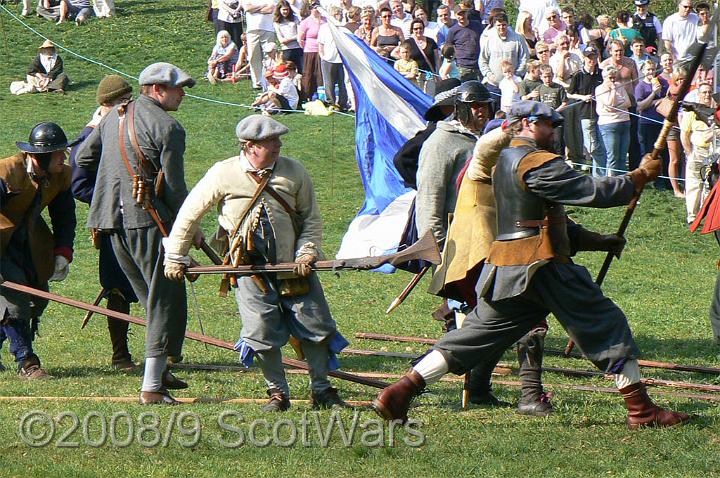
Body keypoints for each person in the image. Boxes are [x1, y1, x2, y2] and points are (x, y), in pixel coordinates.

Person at [373, 100, 692, 431]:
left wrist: (597, 241)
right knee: (605, 322)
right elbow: (588, 190)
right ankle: (641, 411)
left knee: (473, 337)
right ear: (526, 123)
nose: (554, 131)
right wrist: (637, 178)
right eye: (547, 124)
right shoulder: (535, 162)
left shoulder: (504, 161)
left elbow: (538, 218)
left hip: (508, 268)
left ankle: (401, 391)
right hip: (541, 265)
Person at [163, 115, 349, 412]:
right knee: (261, 331)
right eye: (270, 142)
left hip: (293, 265)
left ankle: (322, 390)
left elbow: (311, 219)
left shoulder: (294, 171)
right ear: (249, 147)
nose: (278, 145)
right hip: (246, 268)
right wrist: (175, 256)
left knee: (315, 325)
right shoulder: (222, 173)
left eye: (277, 140)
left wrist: (306, 252)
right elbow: (189, 216)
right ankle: (278, 393)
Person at [74, 62, 198, 405]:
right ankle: (152, 387)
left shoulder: (113, 114)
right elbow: (174, 189)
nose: (183, 94)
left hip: (108, 223)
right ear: (156, 90)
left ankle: (159, 368)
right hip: (147, 221)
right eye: (178, 88)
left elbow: (82, 157)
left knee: (150, 298)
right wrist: (191, 228)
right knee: (162, 300)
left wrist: (111, 183)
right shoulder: (169, 127)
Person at [68, 75, 139, 370]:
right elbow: (79, 185)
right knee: (118, 289)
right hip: (113, 225)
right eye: (125, 101)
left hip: (141, 220)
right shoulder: (92, 136)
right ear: (114, 104)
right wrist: (115, 203)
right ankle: (121, 356)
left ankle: (165, 352)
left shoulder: (125, 128)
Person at [0, 122, 77, 379]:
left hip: (30, 243)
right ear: (40, 156)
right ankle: (27, 362)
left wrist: (63, 252)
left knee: (39, 298)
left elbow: (64, 216)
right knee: (16, 301)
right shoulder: (7, 172)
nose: (64, 157)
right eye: (58, 153)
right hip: (1, 245)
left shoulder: (60, 175)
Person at [567, 46, 606, 176]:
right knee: (592, 147)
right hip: (585, 114)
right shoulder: (578, 75)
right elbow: (570, 94)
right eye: (589, 57)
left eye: (594, 57)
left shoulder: (601, 73)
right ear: (584, 58)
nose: (591, 60)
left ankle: (598, 176)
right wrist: (583, 97)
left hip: (601, 113)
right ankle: (603, 171)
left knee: (602, 145)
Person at [681, 82, 716, 224]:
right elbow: (684, 134)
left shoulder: (715, 112)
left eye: (709, 92)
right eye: (704, 92)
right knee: (694, 184)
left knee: (709, 184)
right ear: (699, 94)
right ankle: (692, 216)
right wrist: (689, 152)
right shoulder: (691, 112)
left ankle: (706, 214)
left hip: (713, 153)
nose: (707, 95)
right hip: (697, 151)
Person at [635, 59, 670, 190]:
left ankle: (661, 181)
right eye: (648, 69)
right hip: (646, 123)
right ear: (643, 71)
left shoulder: (662, 83)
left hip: (660, 122)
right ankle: (643, 180)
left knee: (662, 153)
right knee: (647, 153)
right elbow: (639, 106)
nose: (651, 72)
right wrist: (653, 95)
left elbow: (666, 98)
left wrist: (659, 98)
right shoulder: (640, 86)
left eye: (653, 69)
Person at [596, 66, 632, 176]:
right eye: (610, 78)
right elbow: (611, 105)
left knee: (622, 155)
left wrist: (617, 105)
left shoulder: (619, 86)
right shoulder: (600, 89)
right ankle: (610, 182)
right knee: (612, 156)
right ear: (604, 77)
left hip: (624, 122)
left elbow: (628, 103)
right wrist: (613, 91)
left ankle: (622, 181)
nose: (613, 80)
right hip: (609, 125)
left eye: (614, 78)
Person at [479, 12, 528, 88]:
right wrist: (489, 75)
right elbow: (482, 60)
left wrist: (517, 75)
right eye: (499, 25)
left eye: (504, 25)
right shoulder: (489, 40)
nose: (501, 27)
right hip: (493, 84)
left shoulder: (518, 39)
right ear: (495, 25)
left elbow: (524, 59)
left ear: (508, 24)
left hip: (513, 84)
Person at [242, 0, 278, 90]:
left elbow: (270, 9)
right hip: (252, 30)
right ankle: (257, 82)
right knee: (254, 57)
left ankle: (269, 79)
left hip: (268, 28)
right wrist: (263, 6)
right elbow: (247, 8)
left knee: (269, 56)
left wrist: (254, 9)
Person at [318, 10, 348, 109]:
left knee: (342, 83)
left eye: (339, 14)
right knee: (329, 83)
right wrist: (323, 56)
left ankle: (342, 104)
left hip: (341, 59)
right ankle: (331, 103)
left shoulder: (342, 28)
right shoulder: (324, 28)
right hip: (328, 59)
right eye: (335, 15)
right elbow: (320, 44)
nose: (337, 17)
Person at [444, 3, 483, 82]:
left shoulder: (477, 26)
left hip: (479, 66)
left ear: (467, 13)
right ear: (455, 15)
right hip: (462, 67)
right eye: (459, 14)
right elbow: (448, 50)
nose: (462, 16)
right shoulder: (452, 31)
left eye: (463, 13)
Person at [298, 1, 326, 102]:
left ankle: (322, 97)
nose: (316, 9)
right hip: (310, 50)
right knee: (308, 73)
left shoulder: (325, 20)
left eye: (317, 7)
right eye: (313, 7)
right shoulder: (306, 22)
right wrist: (306, 48)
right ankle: (306, 95)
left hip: (322, 51)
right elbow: (300, 39)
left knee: (320, 74)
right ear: (310, 9)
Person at [274, 0, 303, 73]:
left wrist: (289, 39)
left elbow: (299, 34)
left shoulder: (295, 19)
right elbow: (281, 39)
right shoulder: (277, 22)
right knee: (288, 71)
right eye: (284, 10)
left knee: (300, 70)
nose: (285, 11)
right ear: (279, 10)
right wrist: (293, 38)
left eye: (287, 9)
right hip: (286, 49)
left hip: (297, 48)